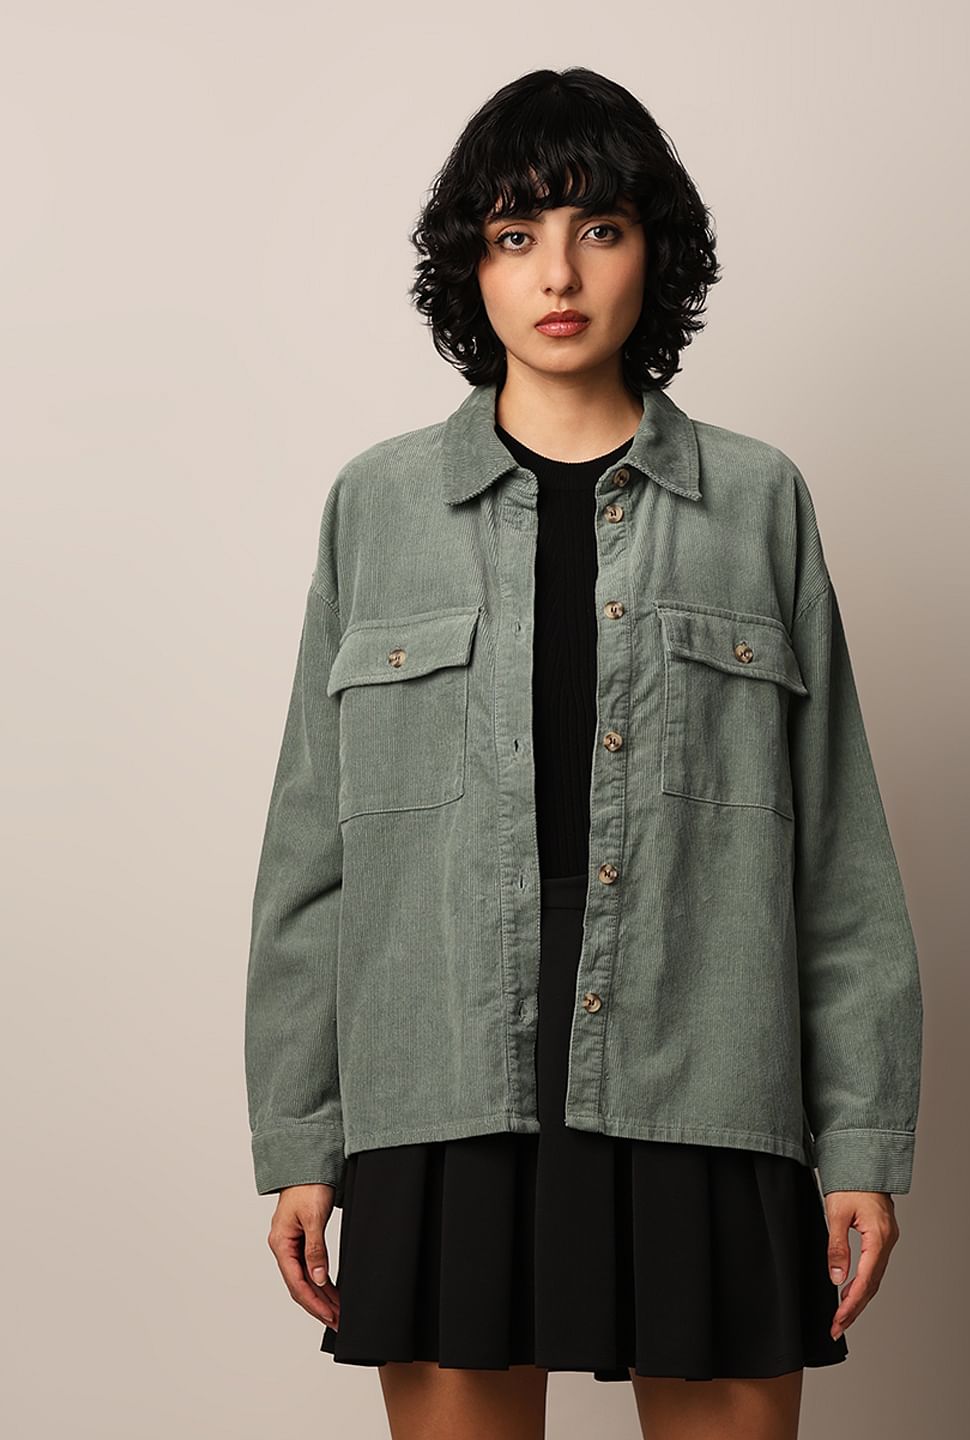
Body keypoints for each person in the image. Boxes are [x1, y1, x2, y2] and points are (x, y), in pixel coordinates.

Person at [244, 66, 924, 1440]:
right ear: (473, 266)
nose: (558, 273)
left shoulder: (757, 500)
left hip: (707, 1071)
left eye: (598, 228)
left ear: (654, 253)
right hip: (442, 1082)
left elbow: (840, 854)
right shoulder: (377, 505)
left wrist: (860, 1138)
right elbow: (311, 852)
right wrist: (302, 1135)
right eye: (516, 235)